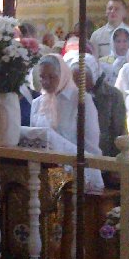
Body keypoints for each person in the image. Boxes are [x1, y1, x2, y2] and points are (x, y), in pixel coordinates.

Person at [30, 54, 105, 189]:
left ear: (63, 75)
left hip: (73, 173)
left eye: (51, 77)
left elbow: (91, 144)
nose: (46, 82)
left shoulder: (80, 100)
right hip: (43, 174)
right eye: (42, 77)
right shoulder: (37, 103)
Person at [67, 52, 127, 158]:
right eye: (74, 81)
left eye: (82, 81)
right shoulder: (68, 95)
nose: (78, 86)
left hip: (104, 155)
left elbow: (119, 130)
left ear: (94, 77)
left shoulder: (112, 96)